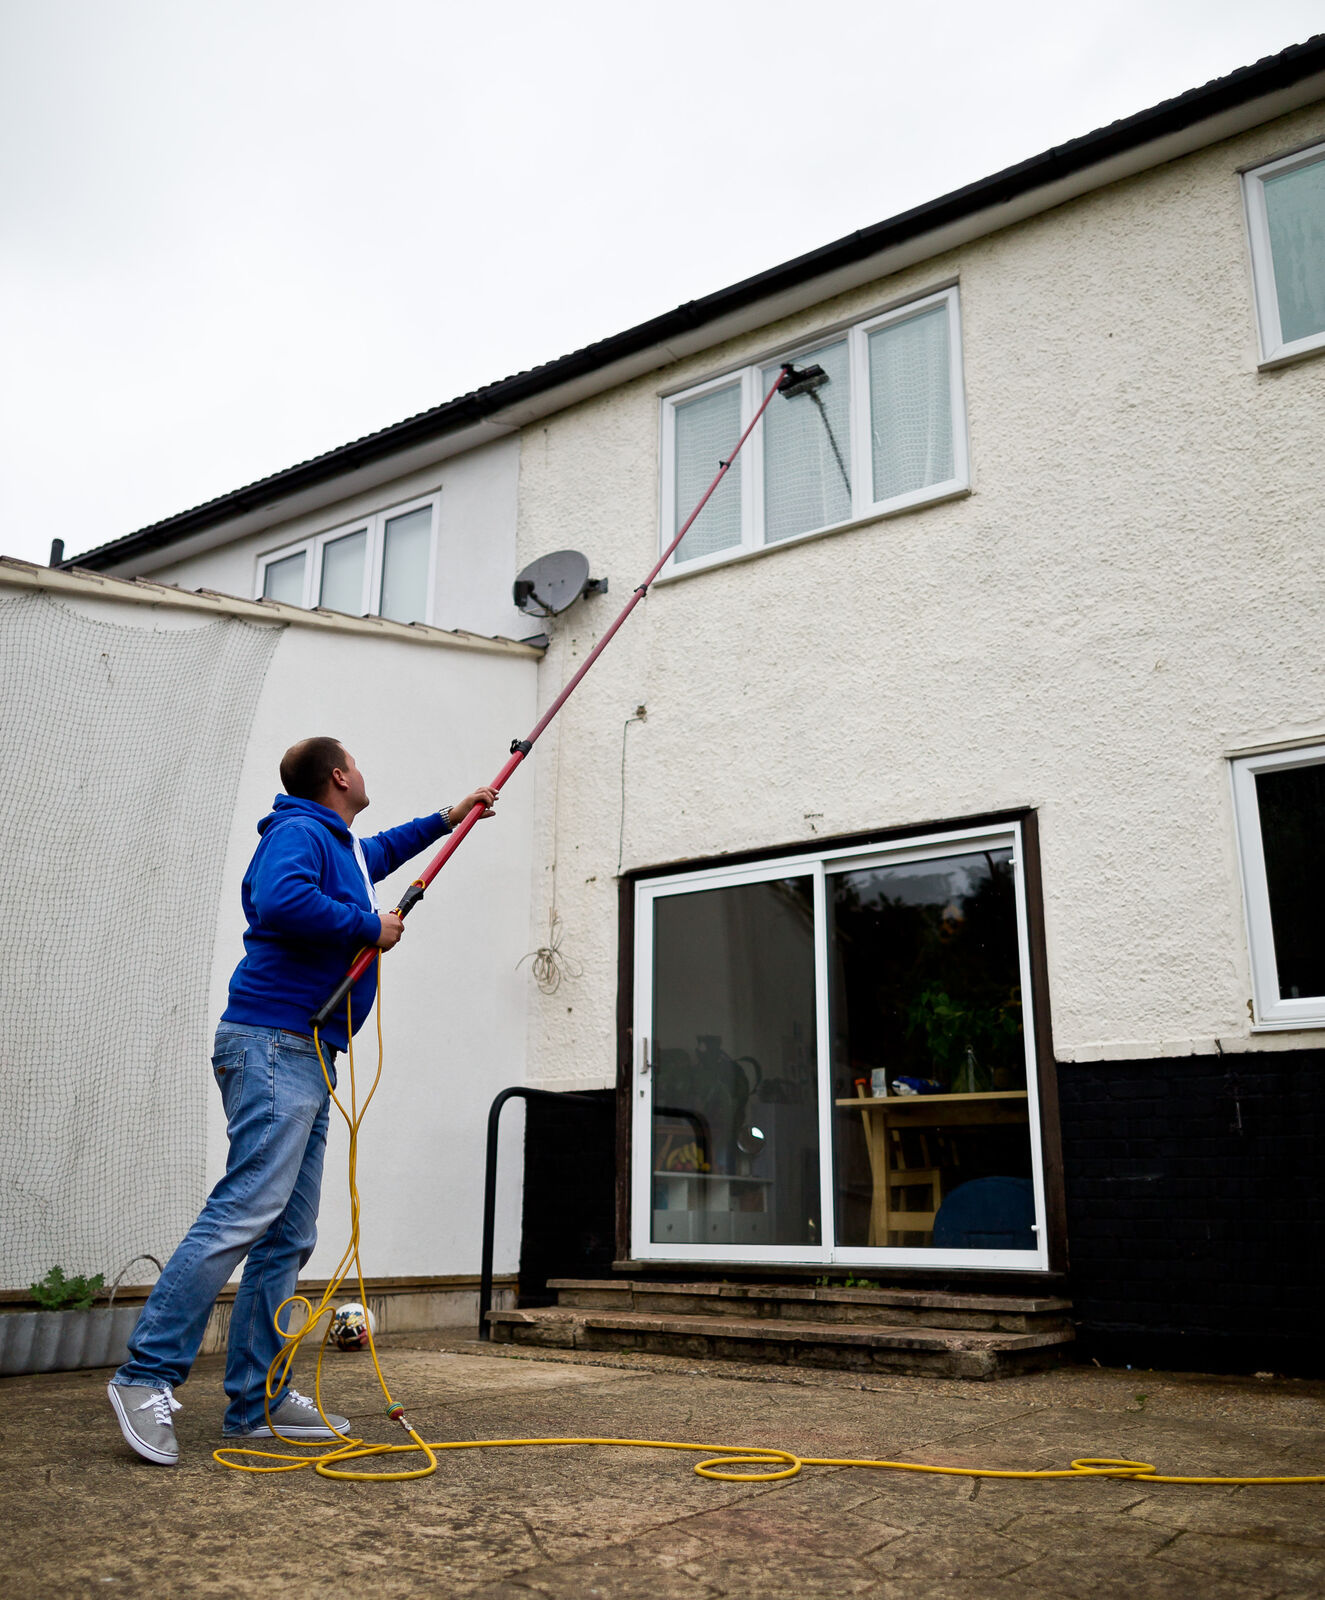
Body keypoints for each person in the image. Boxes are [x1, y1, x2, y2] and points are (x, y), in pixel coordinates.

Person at [107, 737, 498, 1465]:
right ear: (340, 775)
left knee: (288, 1234)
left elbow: (377, 852)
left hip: (310, 1052)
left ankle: (255, 1405)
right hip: (272, 1044)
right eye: (360, 763)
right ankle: (144, 1376)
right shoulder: (296, 833)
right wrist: (366, 926)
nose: (366, 771)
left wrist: (450, 816)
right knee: (247, 1208)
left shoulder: (338, 845)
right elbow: (278, 899)